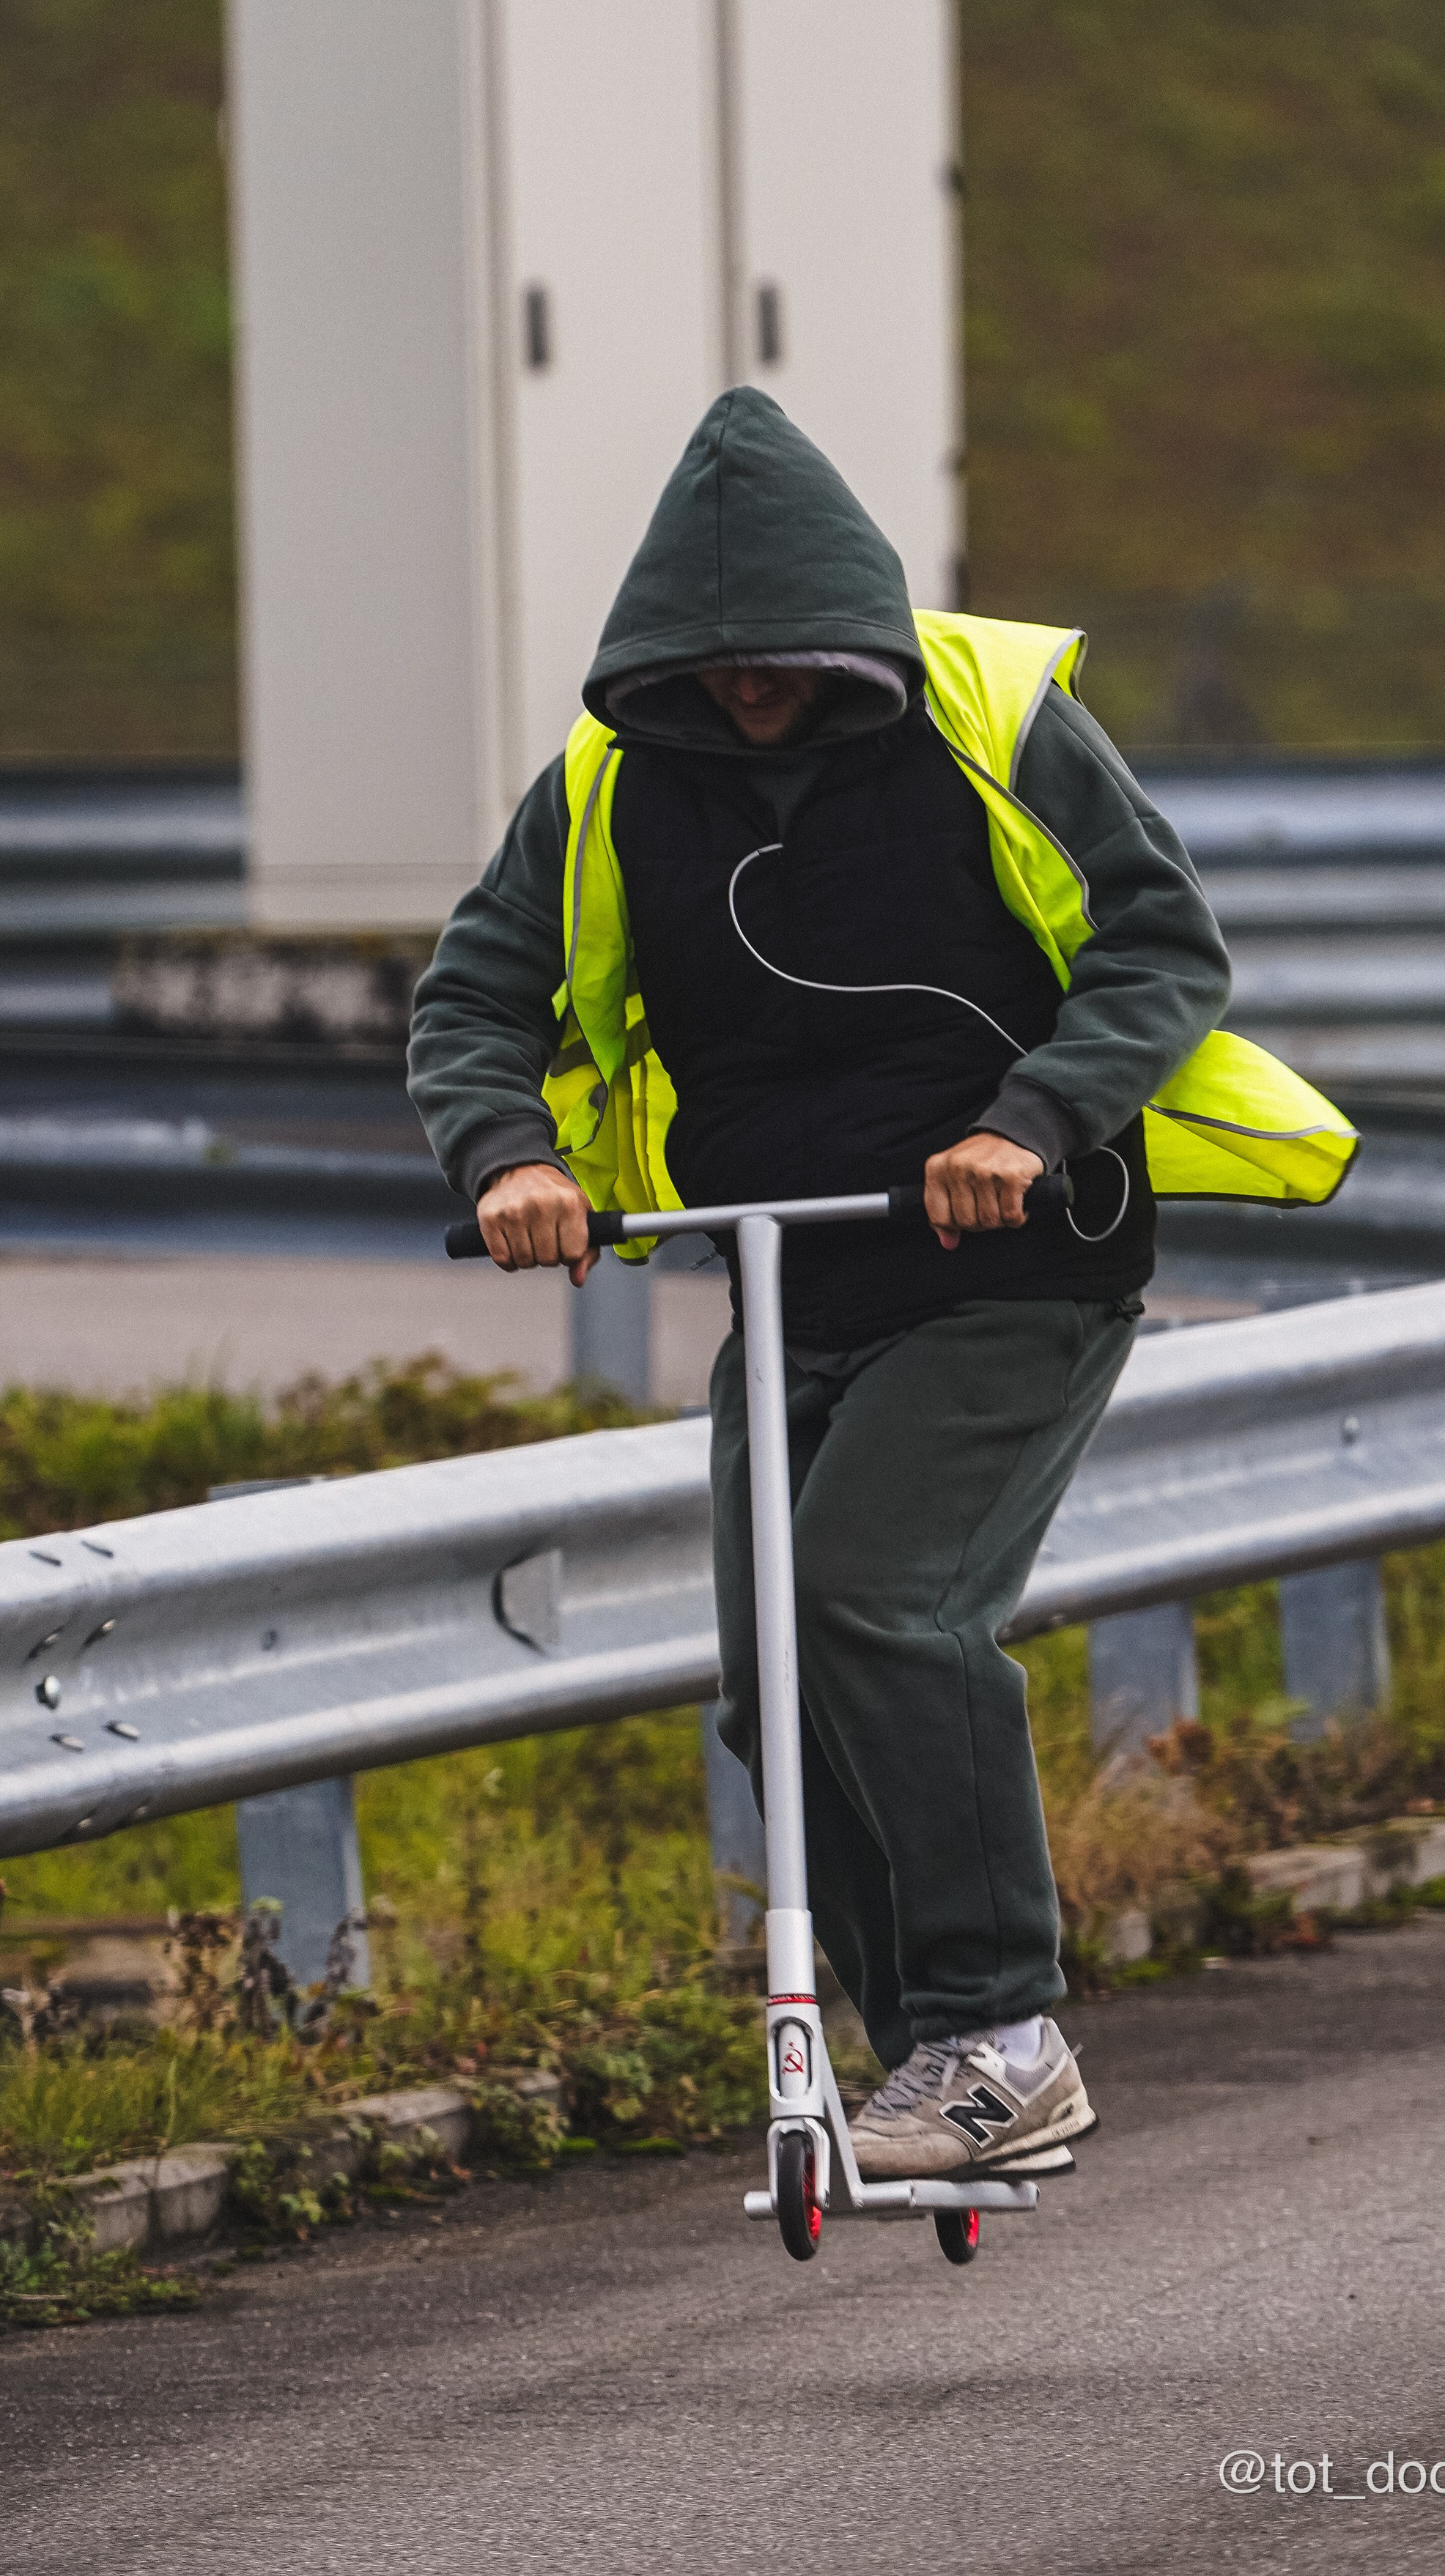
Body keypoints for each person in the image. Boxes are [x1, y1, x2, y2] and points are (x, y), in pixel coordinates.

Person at [408, 388, 1353, 2179]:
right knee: (777, 1677)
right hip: (795, 1275)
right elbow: (475, 997)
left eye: (784, 665)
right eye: (719, 667)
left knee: (873, 1598)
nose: (753, 695)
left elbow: (1164, 943)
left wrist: (1035, 1118)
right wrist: (506, 1154)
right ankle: (935, 2060)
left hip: (1015, 1261)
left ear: (850, 630)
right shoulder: (608, 782)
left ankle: (1003, 2023)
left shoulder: (999, 725)